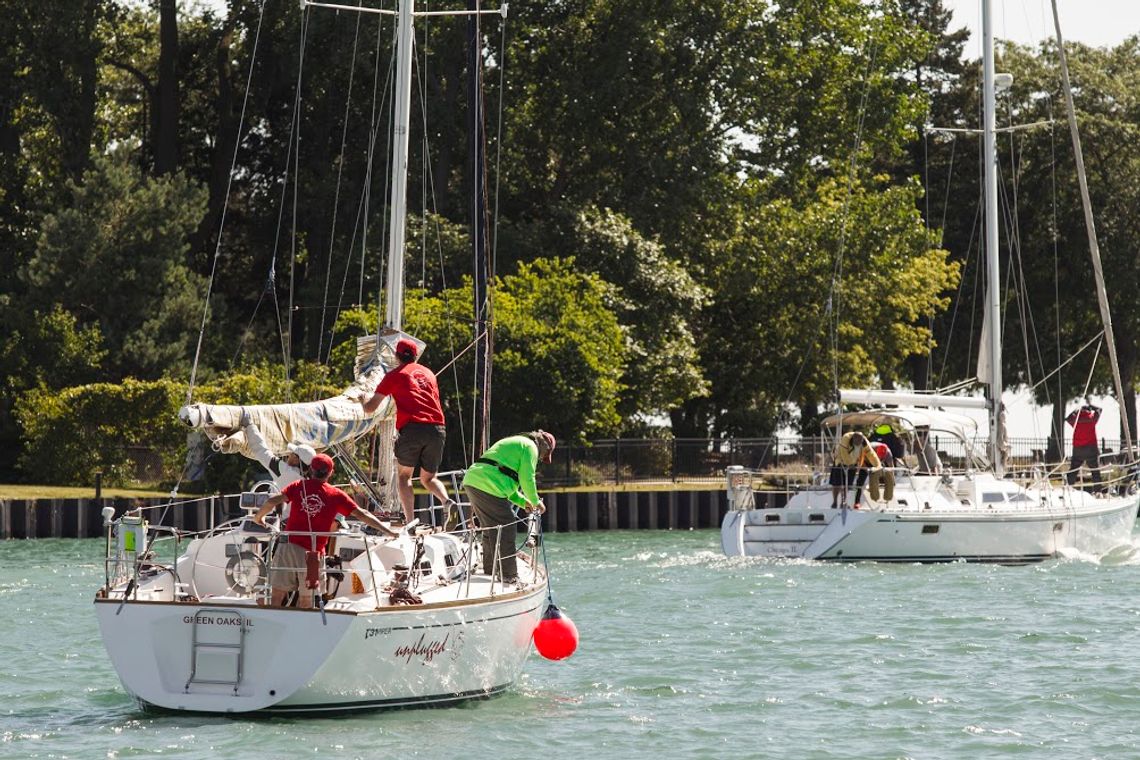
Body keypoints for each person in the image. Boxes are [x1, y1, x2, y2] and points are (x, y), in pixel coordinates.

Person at [252, 453, 398, 608]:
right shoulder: (336, 495)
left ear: (311, 470)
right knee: (307, 600)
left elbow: (271, 500)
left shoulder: (298, 486)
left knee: (276, 596)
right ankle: (304, 629)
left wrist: (258, 518)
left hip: (288, 546)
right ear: (330, 473)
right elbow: (363, 515)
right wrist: (388, 531)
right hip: (312, 553)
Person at [356, 338, 454, 522]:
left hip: (413, 428)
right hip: (438, 428)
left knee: (404, 476)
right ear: (416, 356)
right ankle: (447, 501)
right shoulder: (429, 374)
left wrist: (362, 398)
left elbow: (370, 408)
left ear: (396, 356)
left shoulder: (395, 375)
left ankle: (410, 522)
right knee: (428, 478)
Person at [460, 430, 554, 582]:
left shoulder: (516, 442)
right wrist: (536, 501)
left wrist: (524, 502)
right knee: (507, 526)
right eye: (544, 456)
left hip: (473, 481)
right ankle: (508, 575)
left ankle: (490, 569)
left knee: (490, 527)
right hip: (487, 484)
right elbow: (527, 478)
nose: (541, 459)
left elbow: (508, 488)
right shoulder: (530, 447)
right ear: (545, 446)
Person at [242, 420, 316, 518]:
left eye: (292, 454)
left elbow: (261, 451)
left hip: (286, 523)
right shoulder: (311, 479)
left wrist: (250, 426)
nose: (288, 455)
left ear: (296, 459)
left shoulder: (285, 472)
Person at [830, 431, 880, 509]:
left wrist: (878, 465)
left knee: (848, 484)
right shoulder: (846, 438)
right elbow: (844, 455)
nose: (858, 443)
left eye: (860, 441)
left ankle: (843, 502)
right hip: (840, 462)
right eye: (856, 441)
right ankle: (835, 502)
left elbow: (871, 454)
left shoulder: (864, 442)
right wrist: (849, 464)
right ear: (853, 439)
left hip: (853, 464)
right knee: (837, 483)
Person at [1066, 400, 1103, 491]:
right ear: (1089, 411)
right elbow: (1099, 410)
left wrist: (1076, 410)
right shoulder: (1092, 418)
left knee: (1073, 470)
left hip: (1078, 448)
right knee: (1095, 471)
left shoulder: (1076, 420)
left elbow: (1068, 418)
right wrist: (1091, 405)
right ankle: (1098, 491)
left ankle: (1067, 488)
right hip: (1090, 448)